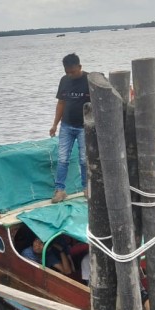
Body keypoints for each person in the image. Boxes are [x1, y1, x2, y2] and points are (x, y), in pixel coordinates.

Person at [50, 53, 90, 203]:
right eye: (67, 72)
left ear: (80, 67)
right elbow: (61, 103)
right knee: (62, 159)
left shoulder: (89, 80)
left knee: (84, 159)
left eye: (73, 72)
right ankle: (60, 190)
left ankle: (87, 187)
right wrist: (55, 124)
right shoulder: (64, 80)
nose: (70, 75)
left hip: (84, 127)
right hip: (66, 125)